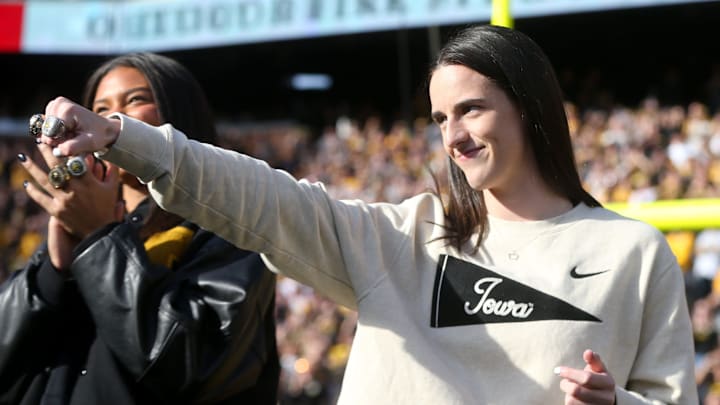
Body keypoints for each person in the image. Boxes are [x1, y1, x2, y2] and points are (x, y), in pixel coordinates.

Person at [39, 26, 696, 404]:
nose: (453, 135)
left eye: (472, 109)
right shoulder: (402, 237)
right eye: (440, 118)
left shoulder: (634, 252)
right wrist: (122, 136)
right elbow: (267, 199)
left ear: (529, 106)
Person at [0, 53, 279, 404]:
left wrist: (101, 239)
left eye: (135, 100)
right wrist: (53, 274)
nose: (112, 119)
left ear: (180, 117)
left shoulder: (235, 229)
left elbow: (191, 369)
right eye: (100, 110)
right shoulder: (81, 230)